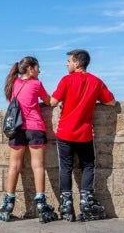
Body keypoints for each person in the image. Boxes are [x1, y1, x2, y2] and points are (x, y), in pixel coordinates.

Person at [49, 49, 116, 221]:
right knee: (88, 166)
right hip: (84, 134)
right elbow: (110, 102)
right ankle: (86, 201)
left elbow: (53, 102)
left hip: (65, 132)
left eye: (69, 61)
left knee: (66, 167)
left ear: (77, 63)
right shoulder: (96, 81)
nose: (67, 64)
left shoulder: (66, 80)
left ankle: (66, 204)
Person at [0, 56, 58, 223]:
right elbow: (49, 101)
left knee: (14, 166)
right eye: (38, 68)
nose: (39, 72)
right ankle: (41, 202)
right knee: (38, 165)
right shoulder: (36, 84)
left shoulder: (12, 83)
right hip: (35, 127)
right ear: (31, 69)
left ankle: (8, 202)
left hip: (16, 129)